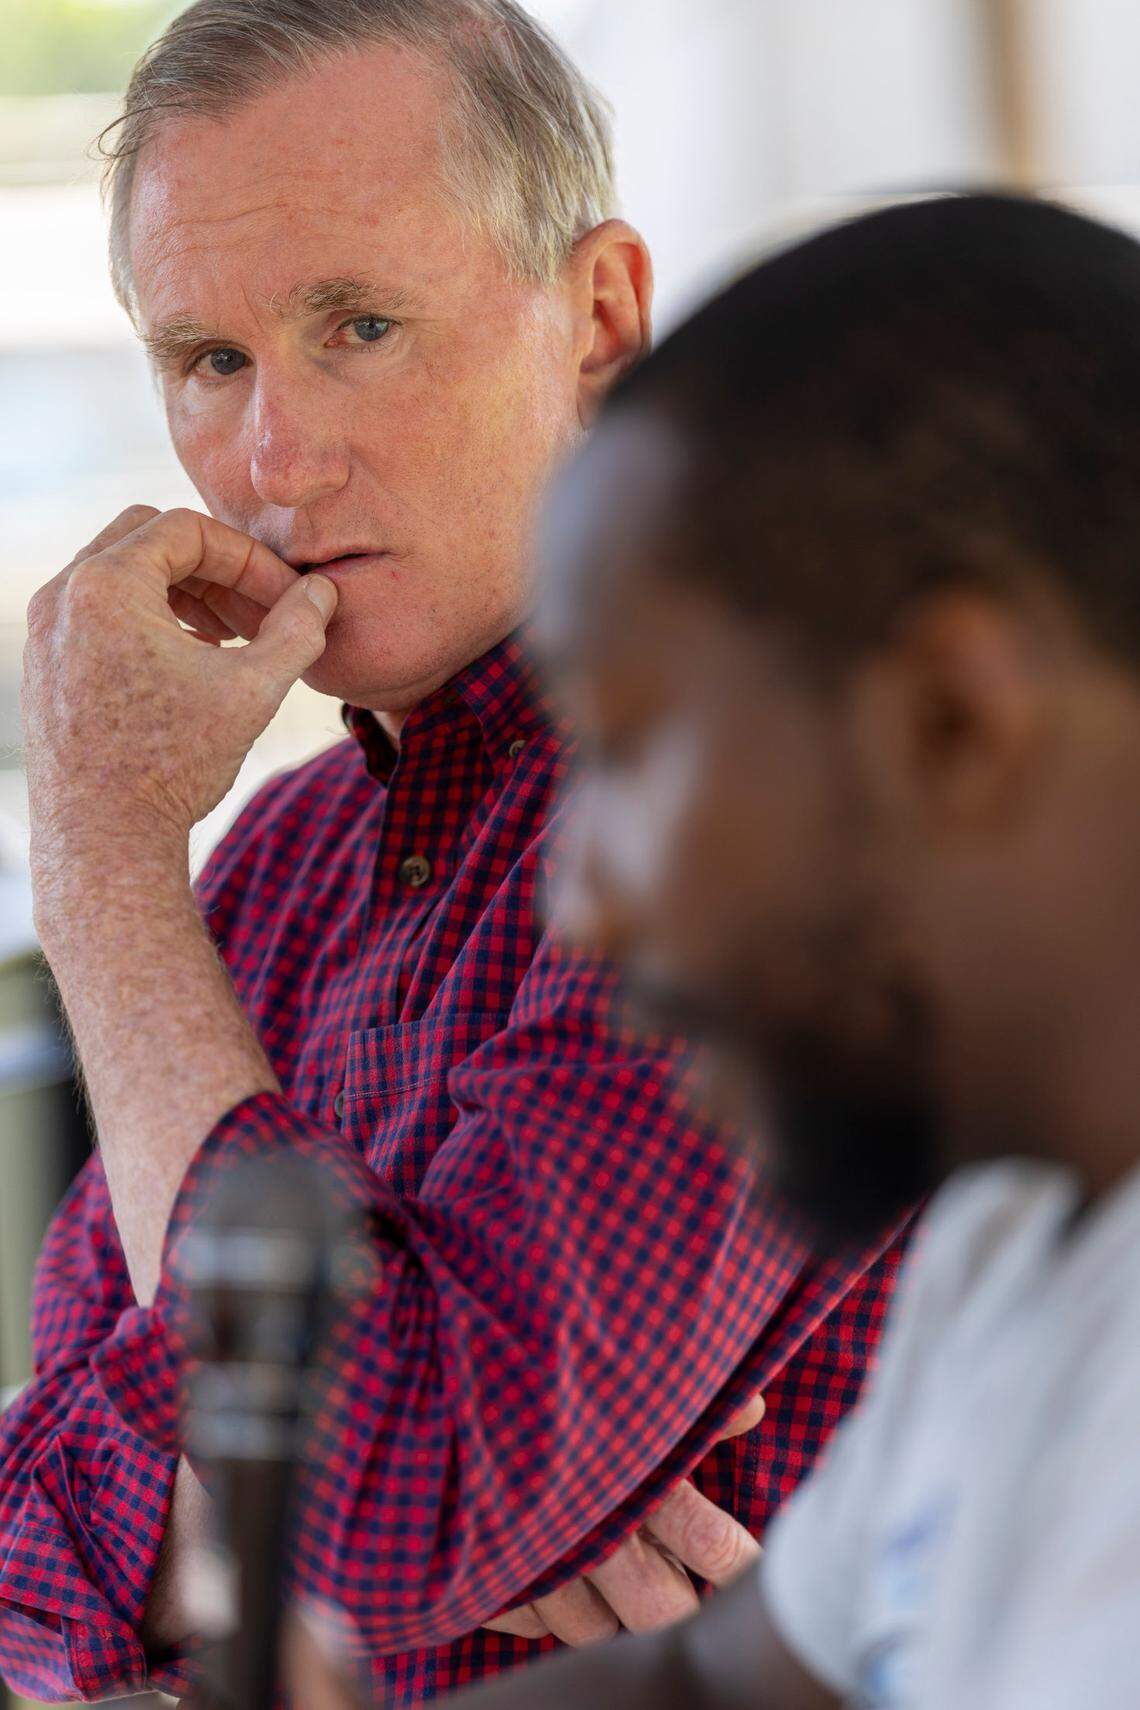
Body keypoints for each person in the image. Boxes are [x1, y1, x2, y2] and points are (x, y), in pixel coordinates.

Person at [0, 2, 904, 1704]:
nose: (274, 459)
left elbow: (356, 1506)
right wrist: (235, 1534)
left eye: (360, 325)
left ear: (603, 323)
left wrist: (103, 864)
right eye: (210, 360)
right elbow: (16, 1538)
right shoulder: (271, 863)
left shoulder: (766, 806)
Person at [407, 190, 1140, 1710]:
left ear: (954, 718)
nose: (579, 902)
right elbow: (722, 1682)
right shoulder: (1025, 1244)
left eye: (625, 751)